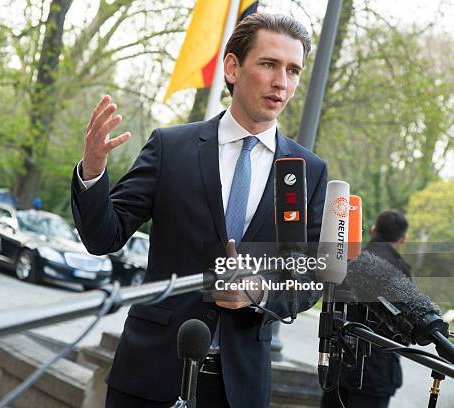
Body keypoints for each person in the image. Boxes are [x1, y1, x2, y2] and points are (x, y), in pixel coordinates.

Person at [71, 13, 328, 408]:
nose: (282, 82)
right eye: (268, 64)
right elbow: (103, 236)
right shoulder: (170, 148)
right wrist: (93, 170)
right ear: (232, 67)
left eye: (293, 70)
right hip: (151, 374)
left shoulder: (308, 171)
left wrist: (257, 292)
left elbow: (307, 277)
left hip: (237, 390)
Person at [322, 210, 410, 408]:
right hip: (376, 373)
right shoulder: (399, 269)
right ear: (403, 239)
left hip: (341, 366)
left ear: (373, 230)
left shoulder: (350, 258)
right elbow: (404, 328)